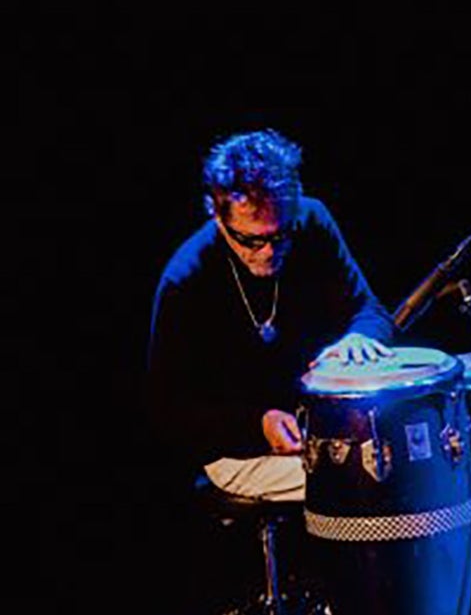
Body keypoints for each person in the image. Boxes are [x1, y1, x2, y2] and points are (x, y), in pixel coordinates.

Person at [147, 129, 394, 502]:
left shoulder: (312, 222)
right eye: (251, 240)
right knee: (357, 482)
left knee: (409, 465)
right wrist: (258, 424)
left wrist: (359, 337)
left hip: (323, 427)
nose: (267, 252)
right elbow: (170, 408)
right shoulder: (186, 279)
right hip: (236, 449)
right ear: (217, 216)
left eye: (280, 236)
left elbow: (370, 310)